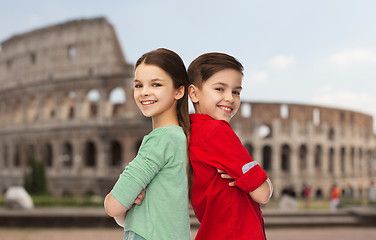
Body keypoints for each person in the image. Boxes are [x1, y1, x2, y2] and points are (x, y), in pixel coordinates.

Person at [104, 48, 191, 240]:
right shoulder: (180, 136)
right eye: (138, 85)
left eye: (156, 84)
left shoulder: (160, 139)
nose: (144, 92)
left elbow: (113, 205)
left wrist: (121, 201)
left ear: (179, 91)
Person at [187, 52, 273, 240]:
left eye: (236, 91)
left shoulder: (191, 131)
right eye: (219, 89)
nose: (230, 98)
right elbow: (262, 193)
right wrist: (264, 181)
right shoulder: (218, 131)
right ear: (193, 93)